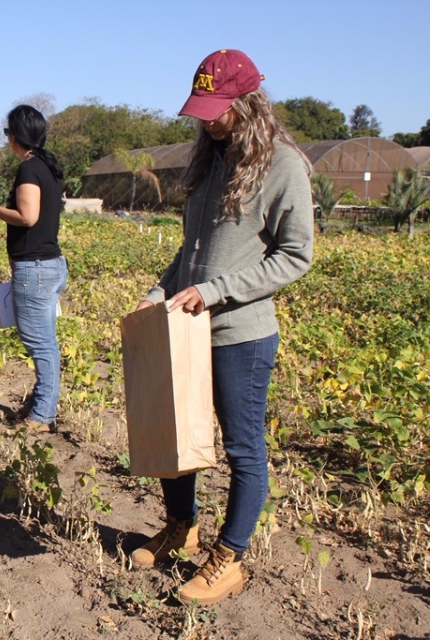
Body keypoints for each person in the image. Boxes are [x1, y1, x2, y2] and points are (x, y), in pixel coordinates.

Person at [129, 49, 313, 606]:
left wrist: (213, 292)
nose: (208, 120)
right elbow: (193, 251)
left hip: (242, 334)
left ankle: (229, 557)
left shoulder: (283, 165)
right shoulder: (211, 160)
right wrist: (161, 290)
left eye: (217, 109)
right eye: (202, 110)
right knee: (174, 430)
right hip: (187, 326)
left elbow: (295, 255)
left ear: (248, 102)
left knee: (243, 449)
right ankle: (182, 528)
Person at [0, 105, 68, 434]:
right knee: (46, 341)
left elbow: (28, 217)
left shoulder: (29, 169)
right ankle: (41, 404)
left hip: (35, 268)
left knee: (40, 344)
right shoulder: (49, 167)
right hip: (51, 265)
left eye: (7, 134)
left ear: (14, 137)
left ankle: (42, 414)